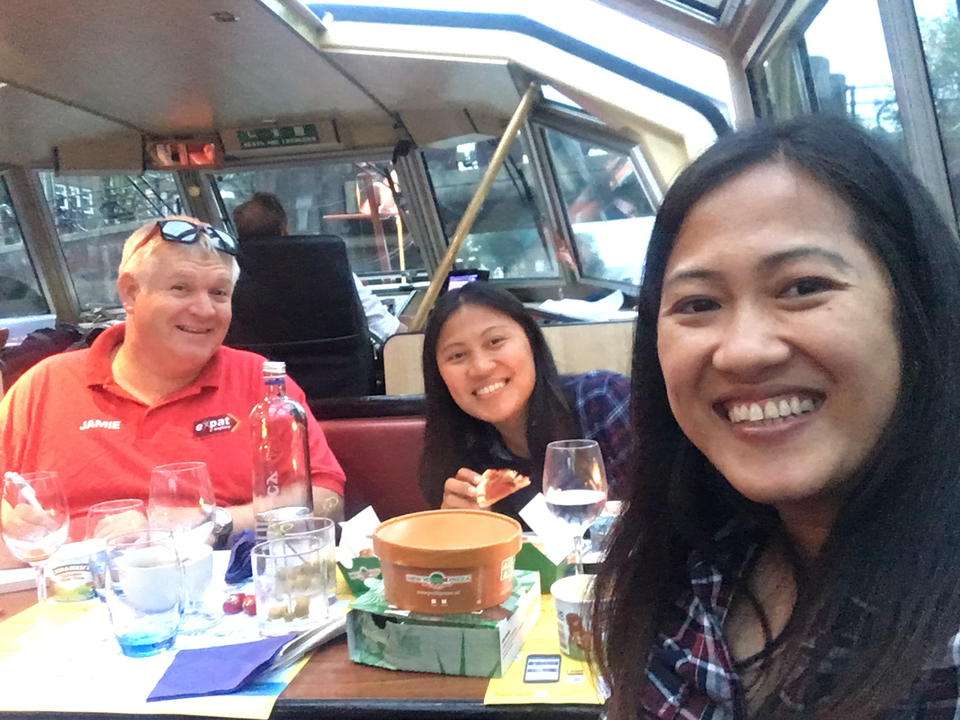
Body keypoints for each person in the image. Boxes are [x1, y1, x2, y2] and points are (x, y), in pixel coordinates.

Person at [593, 114, 960, 719]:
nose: (743, 350)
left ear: (913, 304)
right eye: (699, 303)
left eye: (802, 286)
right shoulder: (693, 565)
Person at [0, 217, 346, 568]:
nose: (204, 310)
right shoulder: (41, 387)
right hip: (65, 601)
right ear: (130, 293)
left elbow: (326, 501)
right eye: (180, 288)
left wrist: (207, 523)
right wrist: (13, 535)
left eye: (219, 293)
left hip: (223, 590)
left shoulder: (263, 384)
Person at [419, 281, 630, 522]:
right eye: (457, 355)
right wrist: (470, 534)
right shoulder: (460, 459)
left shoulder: (602, 401)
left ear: (532, 340)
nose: (481, 367)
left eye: (495, 341)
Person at [232, 191, 406, 344]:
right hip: (341, 379)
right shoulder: (330, 267)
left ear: (239, 235)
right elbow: (388, 329)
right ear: (284, 229)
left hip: (260, 379)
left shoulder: (226, 280)